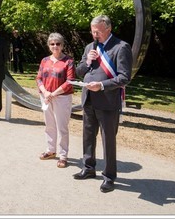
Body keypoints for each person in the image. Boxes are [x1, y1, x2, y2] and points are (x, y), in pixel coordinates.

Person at [74, 15, 133, 193]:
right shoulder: (89, 47)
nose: (94, 34)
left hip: (108, 101)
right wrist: (88, 61)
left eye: (97, 31)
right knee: (88, 136)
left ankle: (109, 176)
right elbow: (79, 71)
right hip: (89, 99)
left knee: (108, 140)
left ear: (108, 28)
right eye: (92, 31)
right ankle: (89, 167)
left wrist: (101, 85)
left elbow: (124, 77)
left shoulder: (121, 47)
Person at [36, 33, 75, 168]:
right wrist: (46, 92)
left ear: (62, 45)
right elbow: (39, 78)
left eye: (58, 44)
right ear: (49, 45)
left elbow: (70, 82)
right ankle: (51, 150)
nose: (55, 46)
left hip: (62, 98)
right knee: (49, 125)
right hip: (46, 97)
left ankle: (63, 155)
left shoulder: (68, 61)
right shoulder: (44, 60)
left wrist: (54, 93)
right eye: (52, 44)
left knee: (62, 127)